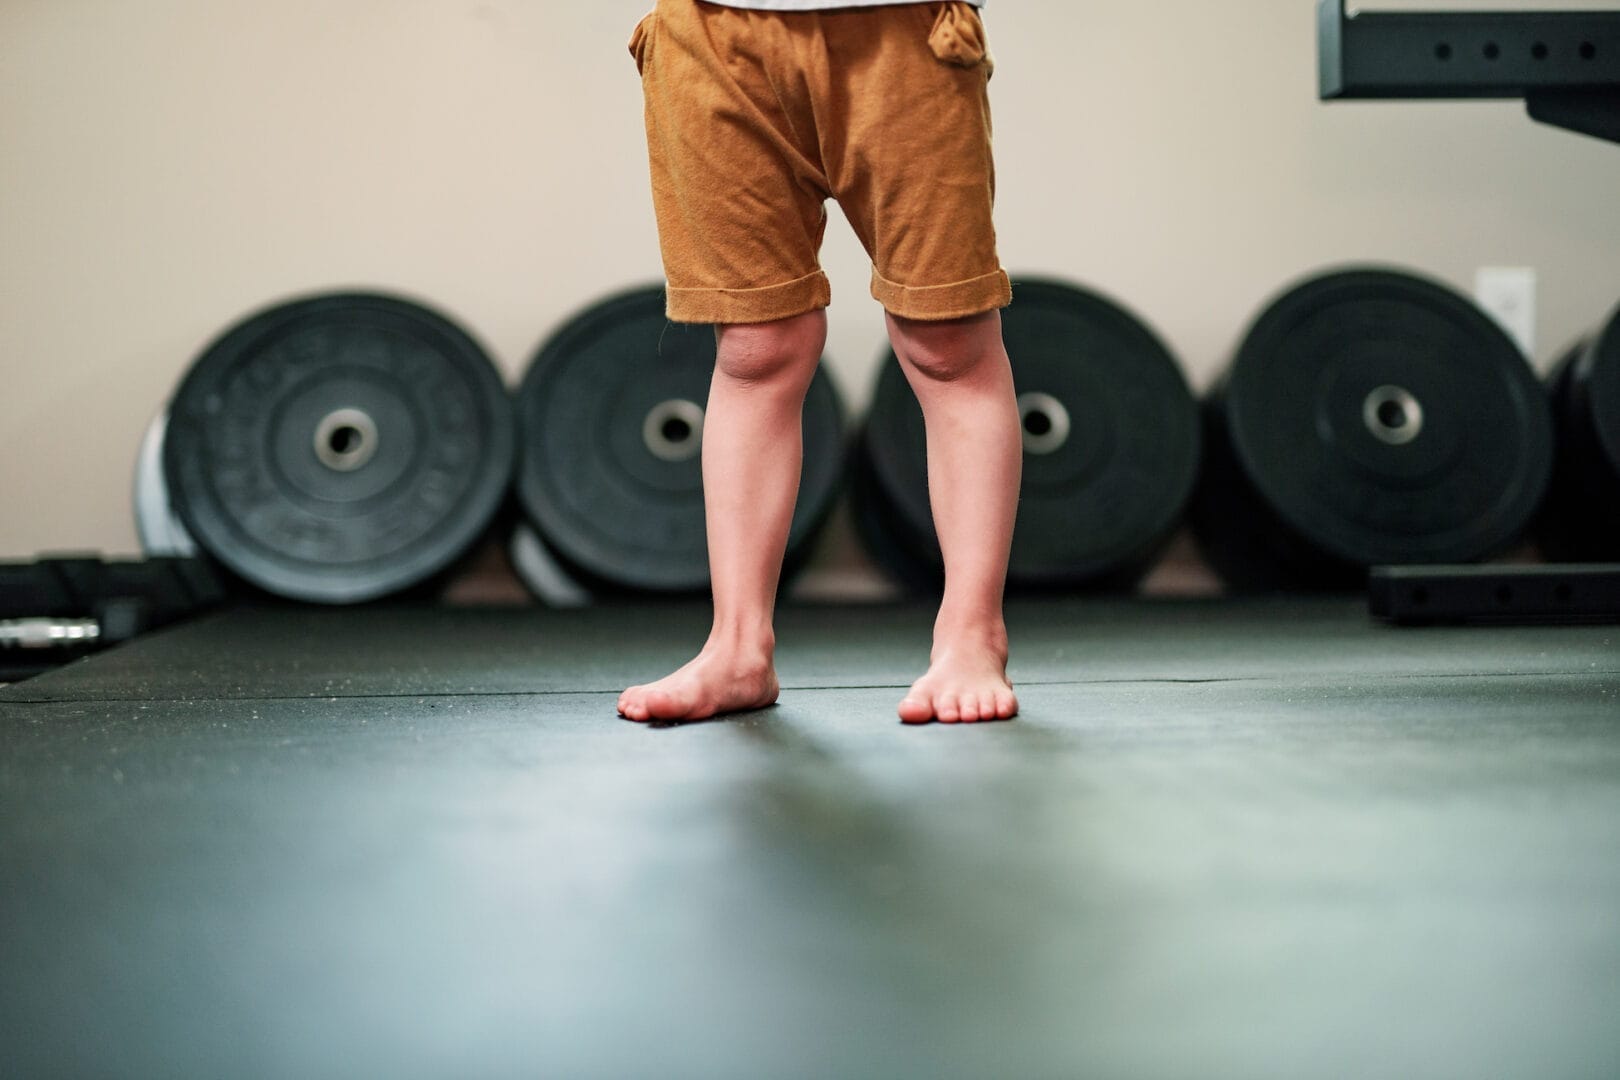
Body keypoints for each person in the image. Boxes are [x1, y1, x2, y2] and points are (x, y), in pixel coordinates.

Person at [616, 0, 1021, 725]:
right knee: (753, 348)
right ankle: (737, 647)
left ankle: (971, 636)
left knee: (947, 345)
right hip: (709, 32)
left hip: (900, 24)